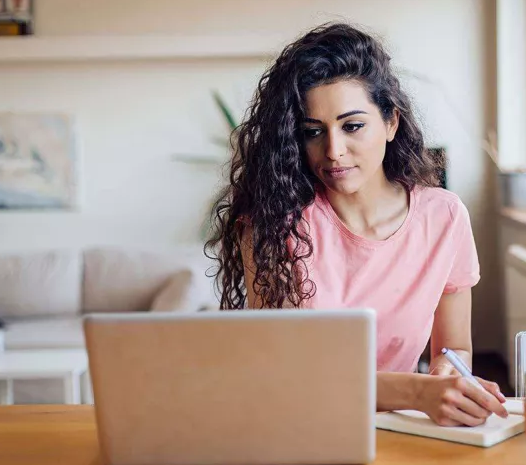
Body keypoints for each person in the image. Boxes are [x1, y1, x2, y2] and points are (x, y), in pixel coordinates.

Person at [205, 22, 508, 426]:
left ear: (390, 123)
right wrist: (419, 391)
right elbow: (291, 375)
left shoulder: (444, 217)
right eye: (313, 132)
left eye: (352, 126)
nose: (333, 151)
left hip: (401, 428)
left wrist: (447, 378)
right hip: (295, 426)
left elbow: (453, 349)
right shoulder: (274, 225)